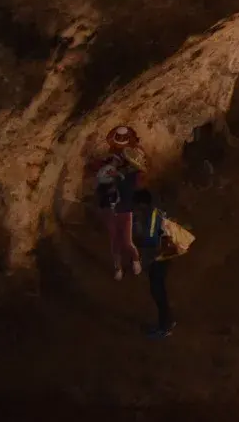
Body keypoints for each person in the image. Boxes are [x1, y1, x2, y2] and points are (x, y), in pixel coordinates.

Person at [88, 128, 146, 280]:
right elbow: (99, 176)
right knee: (115, 241)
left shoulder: (132, 166)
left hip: (124, 206)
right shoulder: (109, 161)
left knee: (127, 241)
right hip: (110, 206)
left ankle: (135, 260)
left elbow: (136, 183)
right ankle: (118, 268)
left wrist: (120, 174)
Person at [133, 189, 177, 339]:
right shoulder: (158, 212)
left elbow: (151, 240)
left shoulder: (152, 215)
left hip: (159, 258)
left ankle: (165, 327)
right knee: (160, 291)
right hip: (163, 256)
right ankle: (168, 322)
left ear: (142, 203)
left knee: (158, 292)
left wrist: (137, 240)